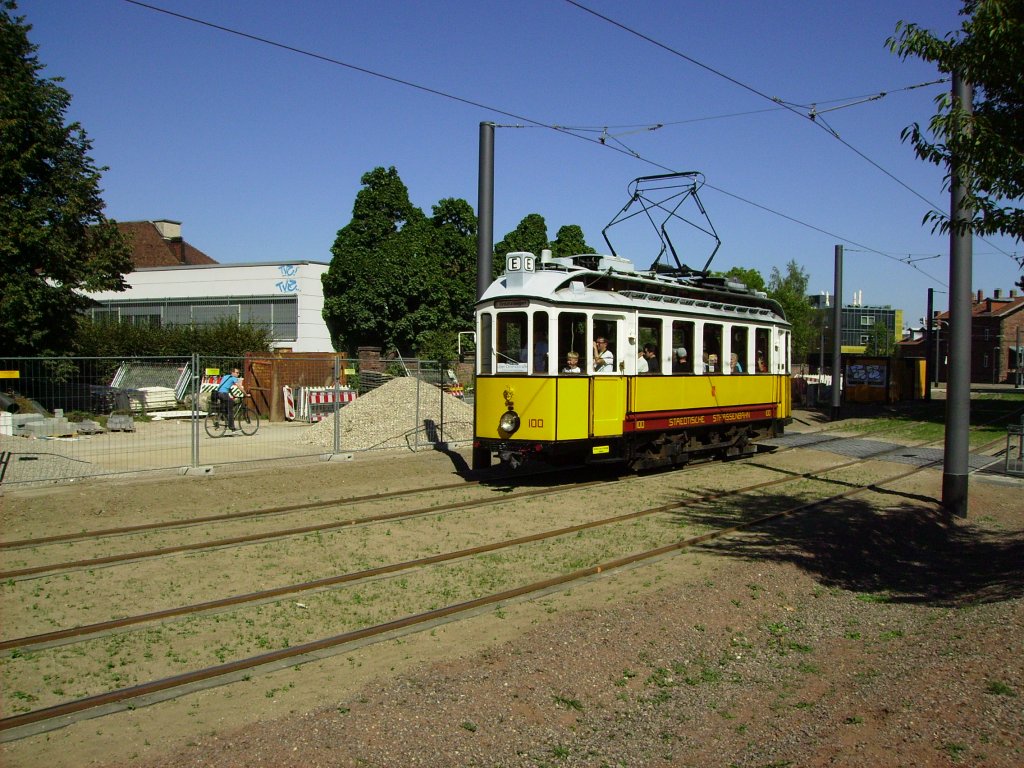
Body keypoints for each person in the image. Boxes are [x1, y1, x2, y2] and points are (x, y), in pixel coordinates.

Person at [214, 367, 244, 432]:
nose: (238, 374)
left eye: (239, 373)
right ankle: (232, 427)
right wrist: (246, 394)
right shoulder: (234, 378)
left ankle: (222, 418)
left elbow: (227, 387)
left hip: (218, 394)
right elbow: (239, 387)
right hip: (224, 394)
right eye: (237, 372)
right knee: (231, 410)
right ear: (232, 372)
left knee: (226, 407)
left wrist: (233, 395)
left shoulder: (226, 376)